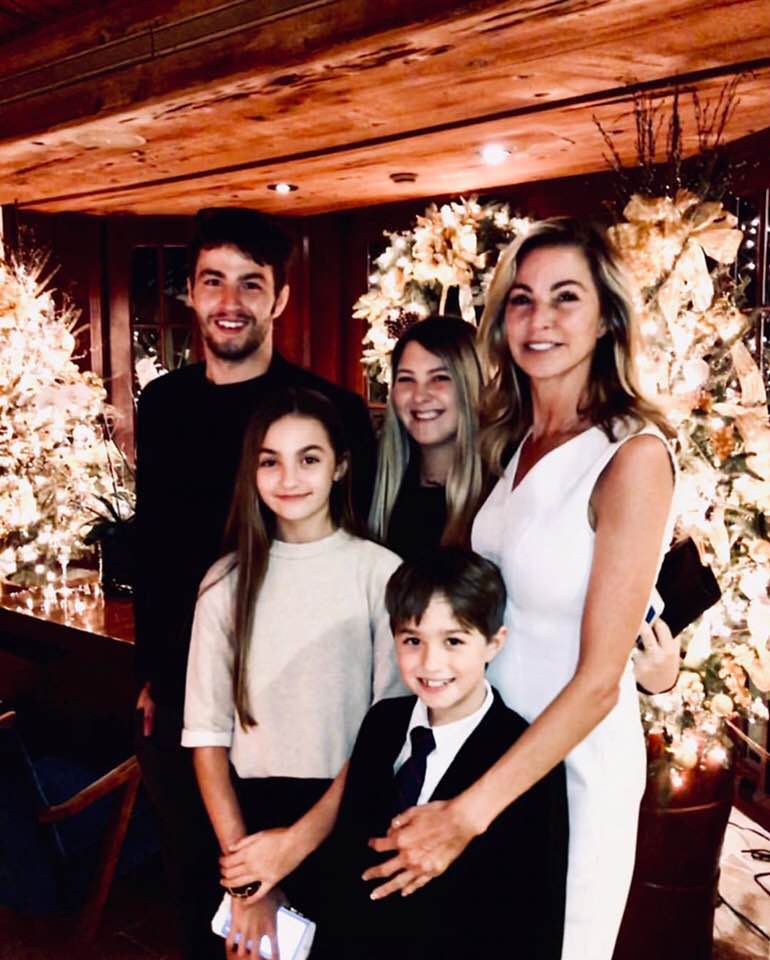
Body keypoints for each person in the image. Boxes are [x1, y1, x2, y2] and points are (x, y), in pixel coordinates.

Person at [361, 219, 677, 960]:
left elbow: (602, 680)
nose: (540, 320)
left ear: (607, 317)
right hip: (484, 741)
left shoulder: (632, 455)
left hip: (569, 768)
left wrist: (467, 813)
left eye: (566, 298)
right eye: (522, 300)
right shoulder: (511, 440)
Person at [133, 207, 376, 959]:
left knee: (316, 920)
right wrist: (153, 674)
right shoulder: (163, 404)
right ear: (193, 295)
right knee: (206, 910)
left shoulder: (326, 413)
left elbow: (344, 559)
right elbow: (157, 545)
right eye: (213, 282)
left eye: (250, 283)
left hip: (302, 712)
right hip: (188, 704)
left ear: (280, 299)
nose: (229, 301)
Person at [182, 387, 403, 959]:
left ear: (340, 467)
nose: (289, 477)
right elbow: (207, 741)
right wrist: (248, 874)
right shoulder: (224, 585)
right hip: (248, 825)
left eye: (309, 458)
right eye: (270, 461)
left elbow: (390, 733)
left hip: (349, 817)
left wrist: (296, 846)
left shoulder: (380, 576)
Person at [320, 547, 568, 959]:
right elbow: (343, 862)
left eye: (453, 640)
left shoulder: (522, 756)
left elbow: (535, 916)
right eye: (413, 640)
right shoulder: (383, 724)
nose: (431, 663)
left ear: (493, 643)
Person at [368, 315, 484, 556]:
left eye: (440, 378)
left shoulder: (501, 491)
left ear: (472, 384)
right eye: (406, 379)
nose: (419, 396)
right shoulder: (371, 485)